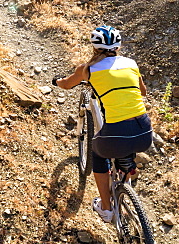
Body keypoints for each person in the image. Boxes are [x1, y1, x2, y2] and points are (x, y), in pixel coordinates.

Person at [53, 25, 152, 223]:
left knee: (99, 154)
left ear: (94, 47)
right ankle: (125, 183)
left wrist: (56, 81)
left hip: (116, 135)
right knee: (125, 146)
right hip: (144, 133)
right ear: (118, 46)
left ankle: (107, 209)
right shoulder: (131, 63)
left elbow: (66, 84)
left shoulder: (88, 69)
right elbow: (143, 92)